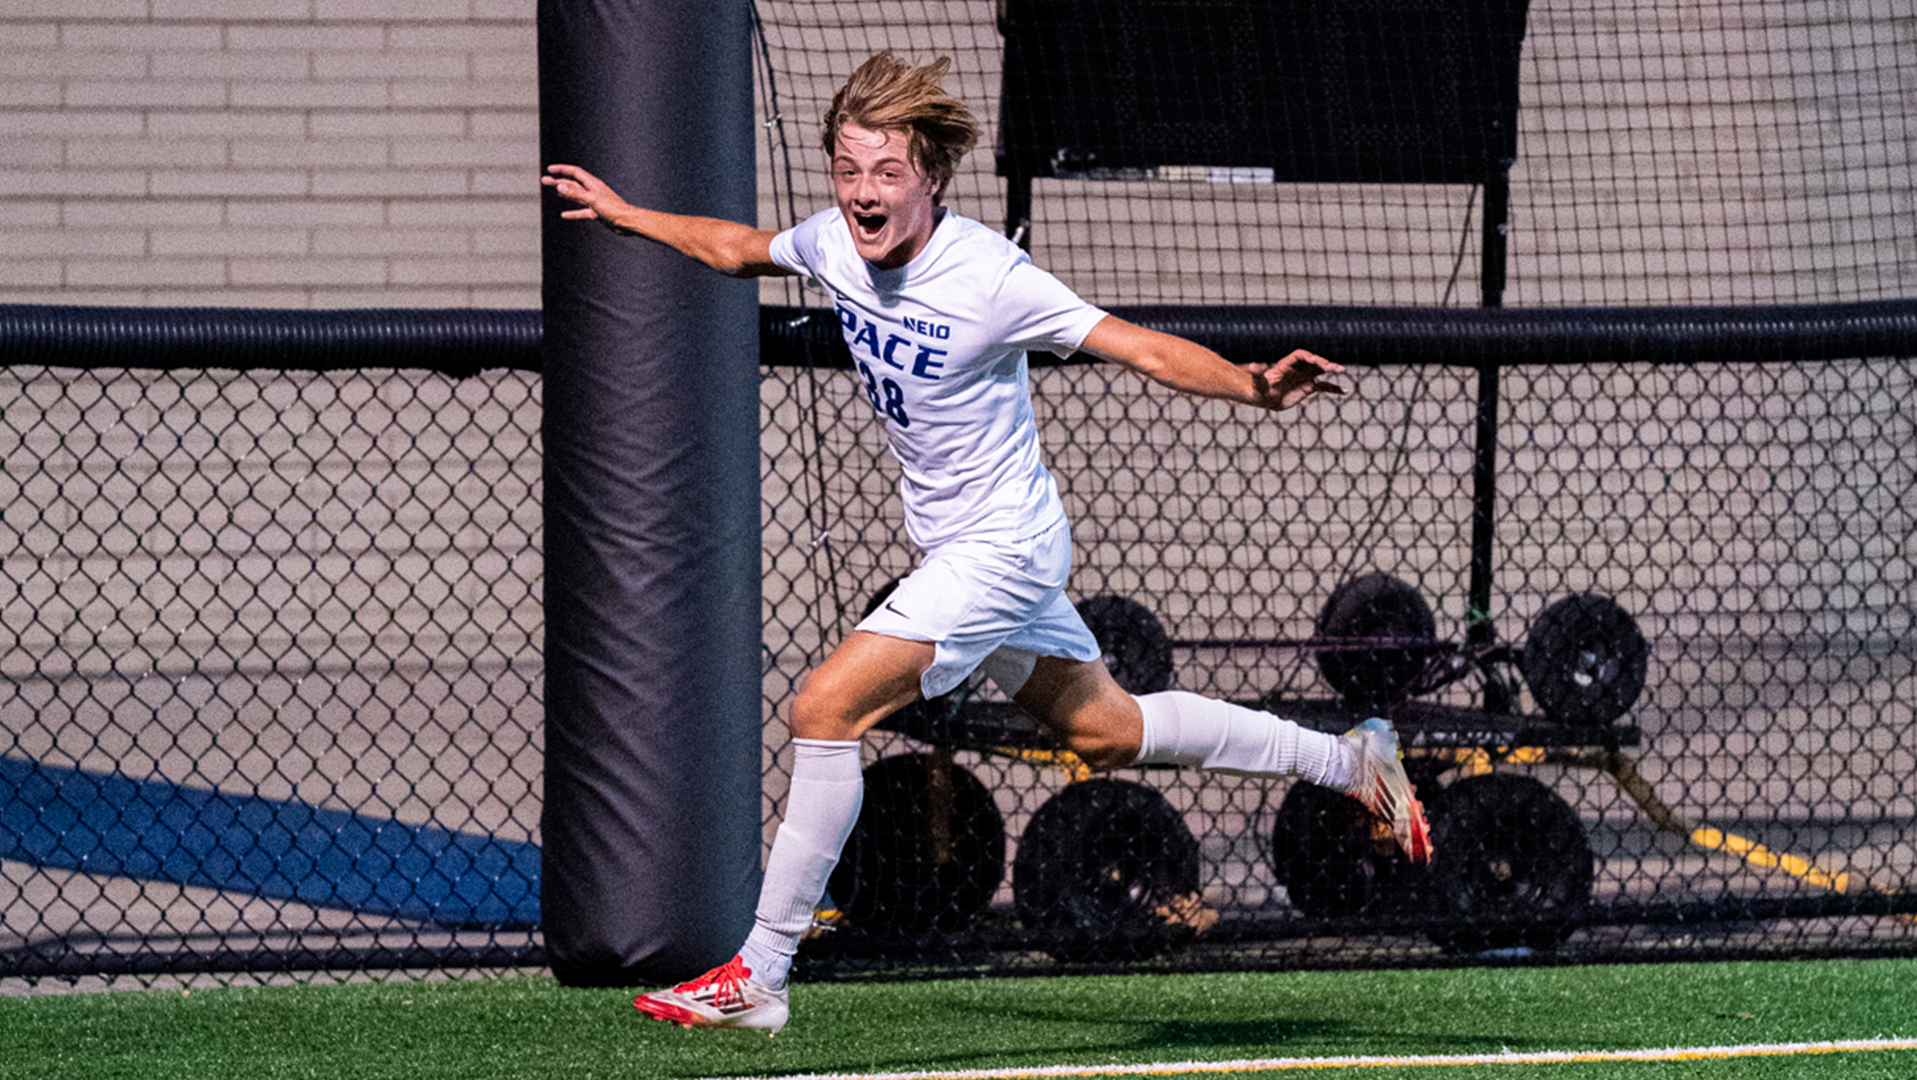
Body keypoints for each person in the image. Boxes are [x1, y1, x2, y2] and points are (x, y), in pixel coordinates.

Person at [543, 51, 1431, 1035]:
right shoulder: (835, 242)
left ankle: (761, 969)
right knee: (1109, 731)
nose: (864, 193)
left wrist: (1251, 384)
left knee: (825, 707)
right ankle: (1349, 762)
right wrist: (631, 216)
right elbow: (737, 246)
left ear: (930, 177)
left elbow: (1137, 346)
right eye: (847, 169)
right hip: (975, 554)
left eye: (886, 173)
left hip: (999, 553)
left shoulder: (989, 276)